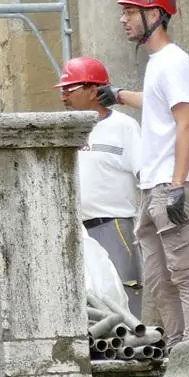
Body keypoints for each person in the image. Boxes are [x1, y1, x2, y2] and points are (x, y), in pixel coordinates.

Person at [97, 0, 189, 341]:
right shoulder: (158, 63)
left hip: (171, 185)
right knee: (160, 283)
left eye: (131, 11)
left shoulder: (174, 62)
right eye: (124, 12)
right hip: (151, 187)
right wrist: (118, 95)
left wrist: (178, 184)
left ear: (156, 14)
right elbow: (157, 102)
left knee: (187, 276)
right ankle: (180, 352)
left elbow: (187, 123)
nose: (124, 20)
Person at [56, 55, 144, 317]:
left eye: (69, 90)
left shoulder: (124, 127)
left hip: (114, 224)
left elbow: (144, 174)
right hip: (76, 228)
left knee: (123, 292)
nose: (63, 97)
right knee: (86, 297)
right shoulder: (65, 130)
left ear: (93, 90)